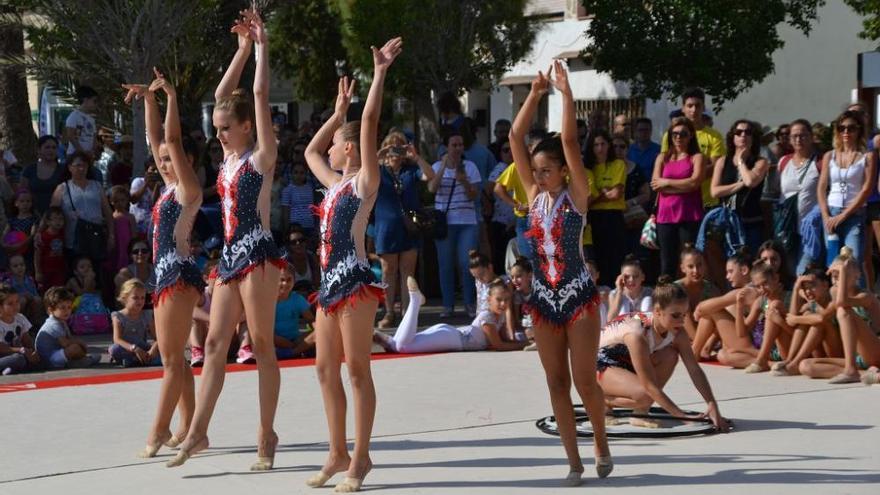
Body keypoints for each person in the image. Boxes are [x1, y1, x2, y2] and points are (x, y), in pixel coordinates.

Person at [168, 10, 284, 472]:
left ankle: (266, 433)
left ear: (246, 128)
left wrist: (261, 46)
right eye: (216, 128)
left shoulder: (261, 156)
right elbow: (222, 95)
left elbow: (256, 93)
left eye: (224, 128)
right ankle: (197, 431)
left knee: (260, 345)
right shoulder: (229, 160)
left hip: (258, 253)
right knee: (215, 345)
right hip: (232, 257)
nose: (217, 134)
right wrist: (238, 51)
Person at [302, 37, 401, 492]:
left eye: (342, 142)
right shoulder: (333, 184)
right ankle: (337, 450)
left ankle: (361, 457)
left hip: (357, 282)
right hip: (328, 287)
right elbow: (309, 152)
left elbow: (371, 122)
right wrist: (336, 116)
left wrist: (378, 76)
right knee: (325, 369)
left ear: (349, 151)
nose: (339, 147)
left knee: (357, 369)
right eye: (344, 142)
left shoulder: (365, 181)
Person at [509, 61, 611, 486]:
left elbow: (569, 139)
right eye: (536, 172)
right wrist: (533, 93)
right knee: (555, 383)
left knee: (586, 381)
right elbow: (516, 137)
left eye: (546, 170)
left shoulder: (578, 196)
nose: (539, 176)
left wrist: (565, 93)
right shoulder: (533, 196)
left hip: (578, 294)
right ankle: (573, 462)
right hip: (544, 300)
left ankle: (601, 443)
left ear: (564, 171)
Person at [122, 68, 206, 458]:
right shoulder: (170, 184)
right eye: (163, 161)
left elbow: (169, 140)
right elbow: (156, 139)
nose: (164, 160)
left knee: (171, 360)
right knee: (178, 360)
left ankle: (157, 432)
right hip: (167, 274)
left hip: (179, 274)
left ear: (187, 160)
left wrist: (172, 97)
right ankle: (190, 429)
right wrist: (149, 100)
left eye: (173, 159)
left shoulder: (189, 189)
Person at [597, 279, 729, 431]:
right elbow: (649, 386)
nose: (681, 321)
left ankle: (640, 412)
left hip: (627, 363)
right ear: (658, 311)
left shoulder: (678, 332)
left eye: (684, 315)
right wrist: (682, 416)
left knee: (670, 355)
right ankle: (602, 400)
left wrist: (712, 404)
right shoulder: (637, 333)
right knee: (646, 394)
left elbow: (694, 369)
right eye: (675, 315)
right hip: (600, 365)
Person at [371, 129, 434, 327]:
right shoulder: (378, 171)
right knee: (388, 270)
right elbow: (363, 172)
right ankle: (389, 312)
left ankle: (408, 312)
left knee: (408, 271)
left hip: (409, 227)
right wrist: (379, 155)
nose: (395, 153)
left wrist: (415, 157)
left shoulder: (410, 171)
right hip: (386, 227)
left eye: (399, 147)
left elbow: (429, 175)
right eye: (392, 147)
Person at [374, 277, 525, 353]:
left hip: (450, 335)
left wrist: (523, 338)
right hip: (452, 338)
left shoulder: (499, 316)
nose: (503, 304)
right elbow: (499, 345)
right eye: (499, 300)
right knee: (403, 347)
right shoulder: (488, 317)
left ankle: (386, 340)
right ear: (488, 300)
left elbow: (507, 339)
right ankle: (415, 299)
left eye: (506, 300)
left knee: (400, 344)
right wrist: (524, 345)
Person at [800, 248, 880, 383]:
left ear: (857, 275)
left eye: (843, 275)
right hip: (857, 358)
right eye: (834, 276)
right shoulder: (834, 292)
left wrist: (842, 270)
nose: (837, 280)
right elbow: (823, 315)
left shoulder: (866, 296)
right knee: (806, 366)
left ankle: (851, 370)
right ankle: (868, 374)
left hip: (875, 351)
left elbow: (842, 303)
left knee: (843, 311)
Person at [428, 128, 482, 317]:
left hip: (467, 221)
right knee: (445, 264)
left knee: (467, 263)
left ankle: (469, 303)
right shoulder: (435, 167)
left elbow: (474, 195)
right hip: (445, 222)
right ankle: (448, 305)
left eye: (460, 145)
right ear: (446, 146)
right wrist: (443, 167)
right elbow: (432, 189)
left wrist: (464, 180)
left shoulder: (471, 167)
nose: (458, 148)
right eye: (454, 145)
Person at [817, 110, 876, 273]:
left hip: (854, 214)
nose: (846, 132)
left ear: (859, 130)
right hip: (831, 211)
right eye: (841, 128)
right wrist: (826, 216)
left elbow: (866, 189)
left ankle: (863, 297)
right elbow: (822, 188)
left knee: (853, 262)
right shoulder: (829, 155)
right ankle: (837, 298)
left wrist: (844, 215)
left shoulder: (867, 156)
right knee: (833, 262)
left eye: (851, 128)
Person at [653, 117, 705, 278]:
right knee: (667, 261)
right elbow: (656, 185)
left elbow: (695, 183)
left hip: (689, 215)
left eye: (683, 134)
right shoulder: (662, 158)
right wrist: (684, 186)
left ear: (690, 136)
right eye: (674, 133)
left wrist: (667, 182)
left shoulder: (696, 157)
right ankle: (667, 299)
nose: (678, 137)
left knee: (689, 260)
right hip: (665, 216)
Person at [659, 88, 726, 209]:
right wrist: (689, 181)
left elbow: (716, 166)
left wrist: (687, 178)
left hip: (706, 201)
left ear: (703, 108)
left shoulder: (714, 136)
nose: (693, 110)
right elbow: (665, 165)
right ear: (683, 108)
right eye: (689, 106)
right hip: (673, 200)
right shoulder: (670, 135)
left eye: (697, 106)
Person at [710, 120, 769, 256]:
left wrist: (741, 162)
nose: (743, 135)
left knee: (750, 260)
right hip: (727, 221)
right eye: (738, 132)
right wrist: (739, 184)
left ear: (753, 138)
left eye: (748, 132)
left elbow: (750, 182)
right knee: (729, 262)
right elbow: (714, 191)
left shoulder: (760, 162)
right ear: (733, 137)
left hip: (750, 221)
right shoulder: (722, 161)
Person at [50, 151, 115, 262]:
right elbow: (52, 213)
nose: (81, 169)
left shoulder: (97, 186)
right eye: (78, 165)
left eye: (84, 166)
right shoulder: (62, 188)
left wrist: (111, 235)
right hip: (73, 239)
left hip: (95, 237)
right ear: (70, 167)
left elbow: (108, 212)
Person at [773, 268, 840, 376]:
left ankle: (795, 362)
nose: (808, 291)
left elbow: (820, 319)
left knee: (815, 321)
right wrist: (796, 288)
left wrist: (796, 319)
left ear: (825, 285)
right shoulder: (811, 304)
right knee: (807, 315)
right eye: (805, 288)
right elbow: (791, 322)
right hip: (819, 354)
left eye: (812, 286)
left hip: (837, 353)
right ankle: (791, 360)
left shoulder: (834, 301)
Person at [494, 128, 548, 259]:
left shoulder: (549, 166)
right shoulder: (517, 166)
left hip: (545, 217)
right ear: (529, 148)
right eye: (538, 147)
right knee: (528, 259)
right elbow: (498, 188)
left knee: (545, 260)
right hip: (525, 218)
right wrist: (516, 205)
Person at [777, 119, 821, 275]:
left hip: (809, 229)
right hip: (787, 229)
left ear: (811, 137)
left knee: (802, 272)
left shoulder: (819, 162)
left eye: (803, 135)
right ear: (789, 139)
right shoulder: (783, 162)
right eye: (794, 136)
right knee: (787, 272)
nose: (798, 139)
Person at [585, 129, 627, 286]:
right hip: (594, 217)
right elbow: (588, 199)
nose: (600, 148)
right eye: (596, 145)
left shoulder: (618, 164)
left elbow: (616, 193)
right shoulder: (589, 168)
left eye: (603, 144)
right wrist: (603, 193)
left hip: (613, 216)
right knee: (599, 258)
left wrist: (598, 195)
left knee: (615, 258)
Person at [737, 261, 793, 373]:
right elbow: (742, 333)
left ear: (776, 278)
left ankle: (761, 361)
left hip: (789, 349)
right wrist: (739, 307)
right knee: (725, 355)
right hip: (770, 352)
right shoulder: (761, 301)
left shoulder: (790, 298)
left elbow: (798, 335)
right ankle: (768, 362)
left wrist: (779, 320)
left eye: (765, 283)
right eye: (758, 286)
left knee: (773, 306)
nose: (762, 289)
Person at [34, 287, 99, 369]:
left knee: (76, 348)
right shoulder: (53, 324)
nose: (67, 311)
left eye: (69, 307)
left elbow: (69, 338)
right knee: (75, 348)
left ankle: (78, 361)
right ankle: (82, 361)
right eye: (62, 308)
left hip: (56, 354)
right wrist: (80, 343)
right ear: (50, 310)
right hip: (50, 358)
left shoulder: (61, 321)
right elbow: (65, 343)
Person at [108, 279, 160, 367]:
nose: (140, 301)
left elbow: (157, 337)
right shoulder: (118, 316)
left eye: (142, 298)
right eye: (135, 298)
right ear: (125, 298)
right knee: (114, 349)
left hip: (142, 347)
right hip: (128, 348)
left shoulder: (146, 315)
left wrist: (153, 349)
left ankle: (137, 360)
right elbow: (117, 339)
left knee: (164, 347)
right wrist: (134, 349)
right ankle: (142, 360)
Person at [675, 245, 719, 340]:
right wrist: (698, 343)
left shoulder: (712, 289)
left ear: (705, 266)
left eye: (699, 265)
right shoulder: (675, 289)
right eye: (690, 267)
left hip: (705, 337)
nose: (696, 271)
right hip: (678, 336)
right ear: (683, 268)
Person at [274, 265, 315, 359]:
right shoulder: (269, 300)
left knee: (318, 333)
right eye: (282, 280)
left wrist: (318, 329)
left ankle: (292, 352)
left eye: (289, 280)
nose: (285, 283)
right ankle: (296, 350)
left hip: (295, 340)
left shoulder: (297, 299)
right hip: (275, 339)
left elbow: (310, 319)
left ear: (294, 281)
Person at [21, 135, 65, 216]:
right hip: (33, 215)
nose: (51, 150)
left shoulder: (64, 170)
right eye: (47, 147)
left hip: (57, 217)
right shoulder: (29, 169)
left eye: (54, 147)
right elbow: (23, 193)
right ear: (39, 150)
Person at [0, 284, 39, 375]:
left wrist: (33, 351)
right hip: (3, 357)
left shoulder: (20, 318)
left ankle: (7, 371)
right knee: (18, 359)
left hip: (15, 355)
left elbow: (26, 339)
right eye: (10, 304)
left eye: (17, 302)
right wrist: (20, 350)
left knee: (35, 358)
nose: (15, 306)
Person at [280, 161, 318, 240]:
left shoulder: (310, 188)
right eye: (296, 172)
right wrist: (287, 229)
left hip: (309, 226)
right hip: (295, 227)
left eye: (302, 173)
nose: (298, 175)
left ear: (306, 174)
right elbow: (285, 211)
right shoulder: (287, 190)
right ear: (291, 173)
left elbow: (314, 208)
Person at [608, 256, 653, 320]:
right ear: (621, 277)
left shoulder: (650, 292)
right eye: (627, 276)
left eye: (635, 276)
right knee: (624, 304)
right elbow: (610, 319)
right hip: (622, 328)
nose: (631, 280)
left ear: (643, 277)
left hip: (644, 327)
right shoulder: (614, 293)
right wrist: (619, 291)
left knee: (647, 300)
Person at [106, 185, 137, 275]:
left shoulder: (130, 217)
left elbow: (134, 234)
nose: (119, 203)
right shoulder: (111, 217)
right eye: (116, 201)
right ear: (111, 202)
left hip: (126, 246)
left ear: (127, 200)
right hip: (116, 246)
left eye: (122, 200)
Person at [34, 207, 66, 291]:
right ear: (48, 221)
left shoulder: (62, 233)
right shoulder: (43, 236)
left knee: (58, 291)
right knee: (45, 291)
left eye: (61, 219)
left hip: (59, 269)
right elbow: (37, 254)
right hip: (46, 270)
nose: (58, 221)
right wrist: (38, 271)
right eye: (55, 219)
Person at [64, 85, 99, 159]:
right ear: (85, 100)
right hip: (74, 156)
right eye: (94, 101)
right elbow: (71, 136)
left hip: (88, 156)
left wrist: (92, 152)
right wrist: (82, 152)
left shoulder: (92, 119)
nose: (96, 104)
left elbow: (94, 137)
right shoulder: (74, 116)